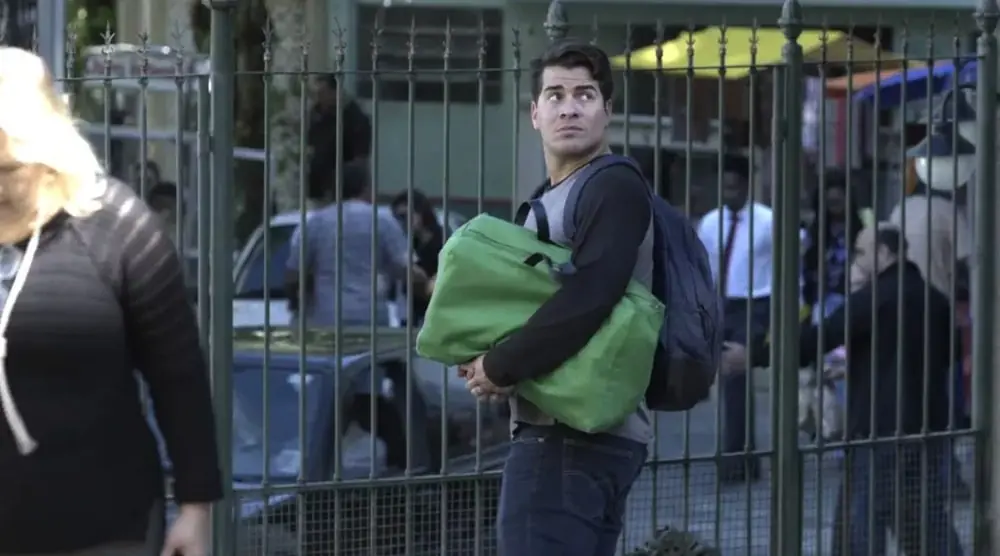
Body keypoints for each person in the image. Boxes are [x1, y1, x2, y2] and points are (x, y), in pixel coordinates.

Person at [0, 47, 222, 555]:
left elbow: (178, 375)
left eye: (9, 166)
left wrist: (196, 508)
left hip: (104, 526)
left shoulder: (119, 227)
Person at [457, 39, 650, 555]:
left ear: (608, 110)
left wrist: (501, 365)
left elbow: (591, 294)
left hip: (572, 438)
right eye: (556, 95)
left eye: (585, 95)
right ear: (534, 114)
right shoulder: (553, 195)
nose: (569, 108)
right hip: (569, 435)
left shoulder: (611, 185)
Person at [724, 223, 964, 556]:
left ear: (884, 253)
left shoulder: (874, 298)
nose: (857, 259)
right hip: (927, 424)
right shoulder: (934, 299)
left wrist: (754, 355)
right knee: (923, 518)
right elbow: (949, 353)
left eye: (862, 252)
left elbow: (819, 338)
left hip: (878, 427)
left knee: (861, 521)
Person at [695, 155, 774, 483]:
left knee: (734, 376)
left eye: (734, 186)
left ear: (745, 185)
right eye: (724, 186)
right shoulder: (711, 222)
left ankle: (735, 459)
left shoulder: (767, 221)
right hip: (721, 302)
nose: (729, 192)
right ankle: (743, 457)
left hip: (755, 303)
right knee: (730, 383)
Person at [307, 75, 372, 203]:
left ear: (335, 92)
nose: (319, 98)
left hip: (343, 185)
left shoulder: (355, 118)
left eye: (322, 93)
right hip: (317, 184)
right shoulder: (316, 114)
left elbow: (360, 157)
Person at [389, 189, 444, 324]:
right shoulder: (407, 241)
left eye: (406, 216)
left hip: (436, 311)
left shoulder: (441, 240)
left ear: (421, 213)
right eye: (398, 218)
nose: (403, 222)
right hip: (410, 312)